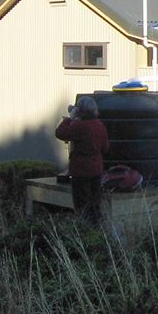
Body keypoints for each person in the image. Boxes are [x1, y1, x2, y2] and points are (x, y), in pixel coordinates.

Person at [55, 96, 109, 226]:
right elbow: (105, 148)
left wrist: (70, 118)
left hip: (81, 172)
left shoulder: (79, 126)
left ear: (80, 111)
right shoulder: (100, 125)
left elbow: (59, 133)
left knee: (81, 205)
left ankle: (84, 232)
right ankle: (97, 232)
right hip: (96, 170)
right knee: (95, 205)